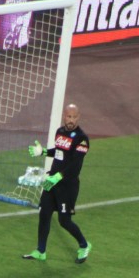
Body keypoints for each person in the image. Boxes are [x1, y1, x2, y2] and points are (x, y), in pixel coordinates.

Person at [23, 103, 92, 264]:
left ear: (78, 117)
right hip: (52, 181)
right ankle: (41, 251)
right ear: (64, 116)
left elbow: (75, 163)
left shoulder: (82, 139)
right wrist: (43, 152)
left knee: (64, 221)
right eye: (69, 116)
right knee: (44, 214)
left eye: (74, 117)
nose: (71, 120)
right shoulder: (60, 132)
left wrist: (58, 176)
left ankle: (84, 245)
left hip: (67, 186)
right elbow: (59, 152)